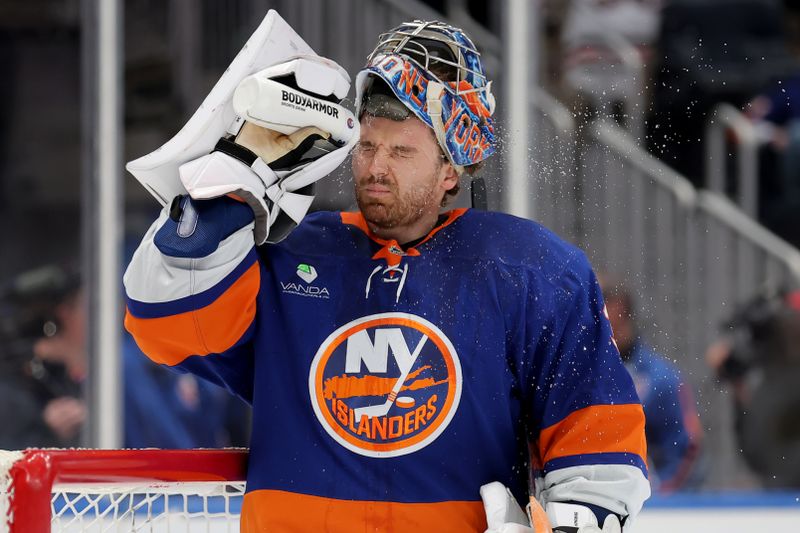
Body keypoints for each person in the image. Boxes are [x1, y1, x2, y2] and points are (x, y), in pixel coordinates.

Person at [124, 16, 649, 533]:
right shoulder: (289, 254)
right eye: (368, 147)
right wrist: (232, 189)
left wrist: (565, 525)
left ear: (451, 169)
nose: (376, 167)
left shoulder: (530, 271)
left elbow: (596, 441)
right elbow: (163, 318)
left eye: (402, 152)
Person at [600, 275, 704, 493]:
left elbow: (687, 445)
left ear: (621, 307)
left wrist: (661, 497)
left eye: (603, 300)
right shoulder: (579, 373)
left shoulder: (660, 378)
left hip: (648, 505)